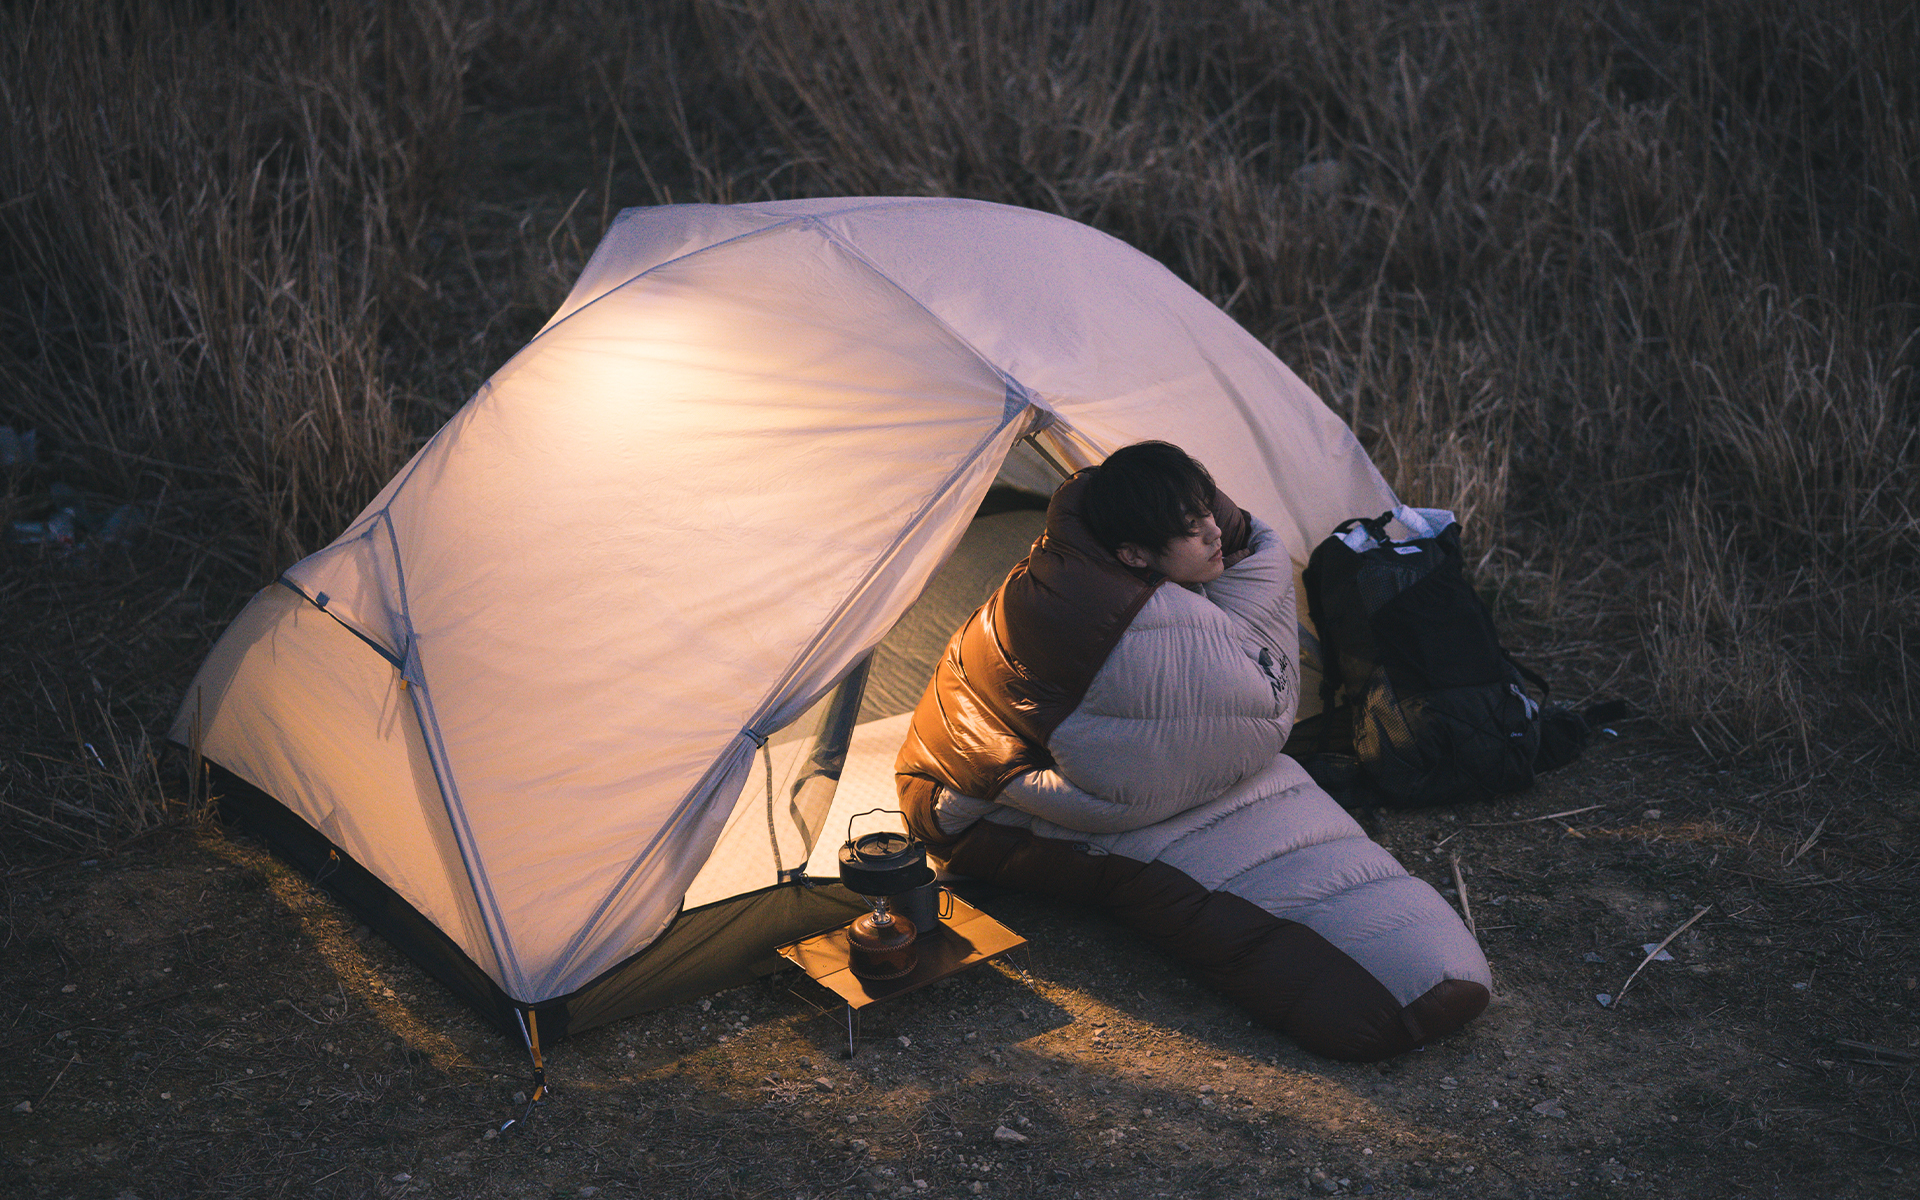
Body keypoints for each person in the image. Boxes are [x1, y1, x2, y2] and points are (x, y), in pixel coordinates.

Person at [895, 441, 1490, 1061]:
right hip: (967, 805)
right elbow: (1128, 778)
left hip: (1159, 777)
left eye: (1208, 513)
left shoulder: (1154, 578)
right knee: (1204, 867)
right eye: (1190, 529)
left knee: (1264, 792)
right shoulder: (1090, 628)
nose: (1213, 534)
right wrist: (1023, 783)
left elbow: (1232, 708)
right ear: (1132, 555)